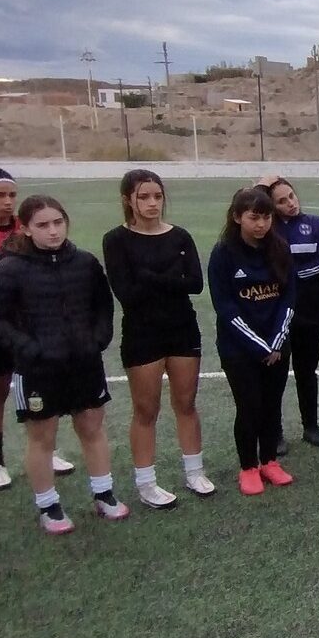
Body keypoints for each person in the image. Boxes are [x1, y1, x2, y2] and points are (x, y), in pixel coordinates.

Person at [0, 195, 125, 534]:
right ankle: (49, 505)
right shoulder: (11, 267)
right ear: (27, 229)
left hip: (84, 364)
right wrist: (28, 348)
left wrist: (97, 340)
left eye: (57, 223)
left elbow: (103, 306)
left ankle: (104, 494)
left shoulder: (85, 263)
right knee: (42, 437)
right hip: (39, 369)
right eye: (42, 225)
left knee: (92, 427)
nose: (52, 231)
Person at [101, 169, 214, 508]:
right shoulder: (116, 240)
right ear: (128, 200)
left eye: (157, 196)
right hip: (142, 333)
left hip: (182, 328)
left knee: (186, 403)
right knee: (146, 409)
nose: (152, 203)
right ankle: (146, 482)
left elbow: (194, 283)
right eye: (144, 197)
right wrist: (168, 277)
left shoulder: (180, 236)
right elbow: (127, 293)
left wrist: (150, 277)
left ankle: (194, 471)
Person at [0, 165, 73, 490]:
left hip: (33, 328)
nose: (7, 202)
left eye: (11, 195)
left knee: (41, 390)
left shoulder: (28, 229)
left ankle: (46, 450)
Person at [209, 186, 296, 496]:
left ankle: (269, 461)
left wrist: (276, 342)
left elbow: (288, 296)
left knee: (272, 405)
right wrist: (260, 347)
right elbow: (225, 307)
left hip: (277, 346)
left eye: (266, 217)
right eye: (254, 218)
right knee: (249, 407)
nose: (261, 224)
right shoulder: (223, 254)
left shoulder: (280, 248)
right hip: (239, 349)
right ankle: (248, 466)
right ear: (237, 217)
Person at [258, 175, 319, 451]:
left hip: (312, 310)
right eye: (281, 201)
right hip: (276, 312)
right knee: (276, 373)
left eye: (291, 196)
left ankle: (311, 426)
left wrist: (290, 276)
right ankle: (275, 432)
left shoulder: (315, 225)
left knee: (306, 370)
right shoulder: (267, 230)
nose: (290, 203)